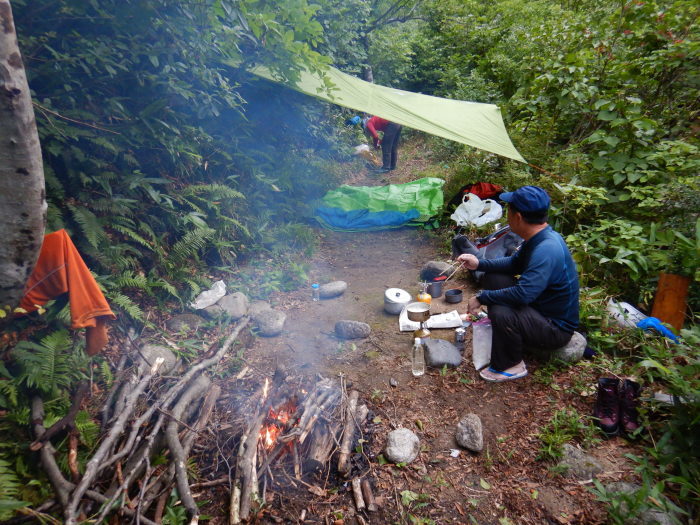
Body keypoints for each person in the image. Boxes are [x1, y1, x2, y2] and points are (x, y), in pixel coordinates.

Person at [457, 186, 580, 382]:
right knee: (494, 277)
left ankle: (511, 364)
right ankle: (510, 336)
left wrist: (482, 297)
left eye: (509, 210)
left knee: (500, 309)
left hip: (555, 328)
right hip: (539, 309)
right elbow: (514, 264)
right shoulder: (539, 237)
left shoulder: (546, 249)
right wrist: (478, 263)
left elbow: (524, 295)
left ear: (518, 217)